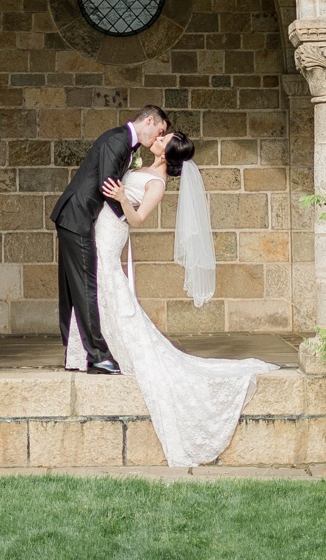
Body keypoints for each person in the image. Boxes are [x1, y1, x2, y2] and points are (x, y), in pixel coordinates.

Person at [90, 130, 278, 467]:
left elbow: (138, 218)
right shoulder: (143, 166)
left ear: (166, 154)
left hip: (114, 229)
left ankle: (113, 343)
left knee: (108, 281)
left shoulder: (157, 184)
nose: (158, 136)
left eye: (164, 138)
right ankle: (103, 340)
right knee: (102, 283)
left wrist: (120, 196)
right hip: (102, 226)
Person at [50, 104, 169, 375]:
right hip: (78, 217)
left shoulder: (126, 144)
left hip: (76, 217)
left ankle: (75, 352)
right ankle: (99, 355)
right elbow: (108, 187)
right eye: (159, 131)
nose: (157, 137)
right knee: (84, 287)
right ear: (149, 120)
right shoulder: (119, 141)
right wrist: (123, 218)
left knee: (72, 288)